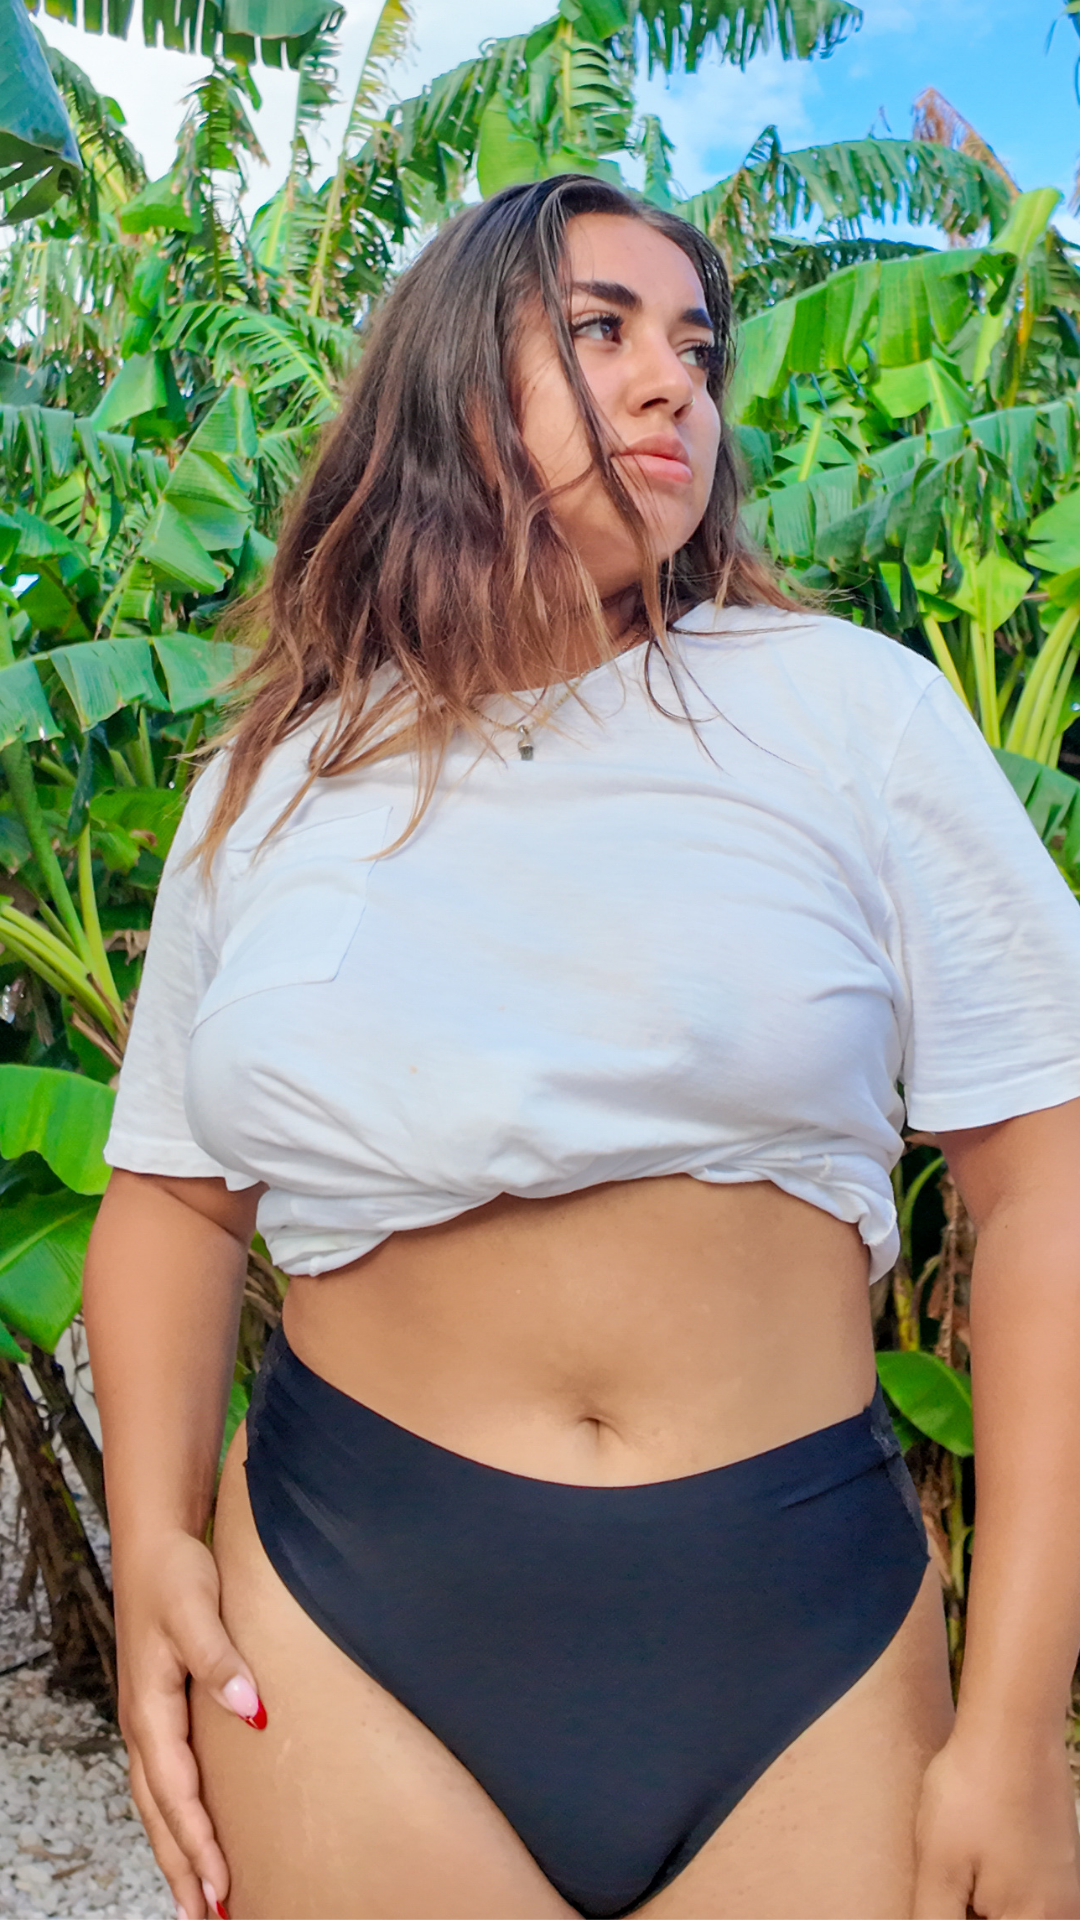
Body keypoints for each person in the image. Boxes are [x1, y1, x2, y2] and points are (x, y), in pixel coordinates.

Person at [84, 174, 1080, 1920]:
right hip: (346, 1608)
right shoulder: (279, 777)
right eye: (600, 329)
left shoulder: (849, 710)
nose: (672, 378)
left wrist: (1014, 1726)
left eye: (696, 346)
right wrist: (152, 1543)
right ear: (447, 379)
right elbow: (171, 1196)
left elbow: (1051, 1189)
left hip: (798, 1617)